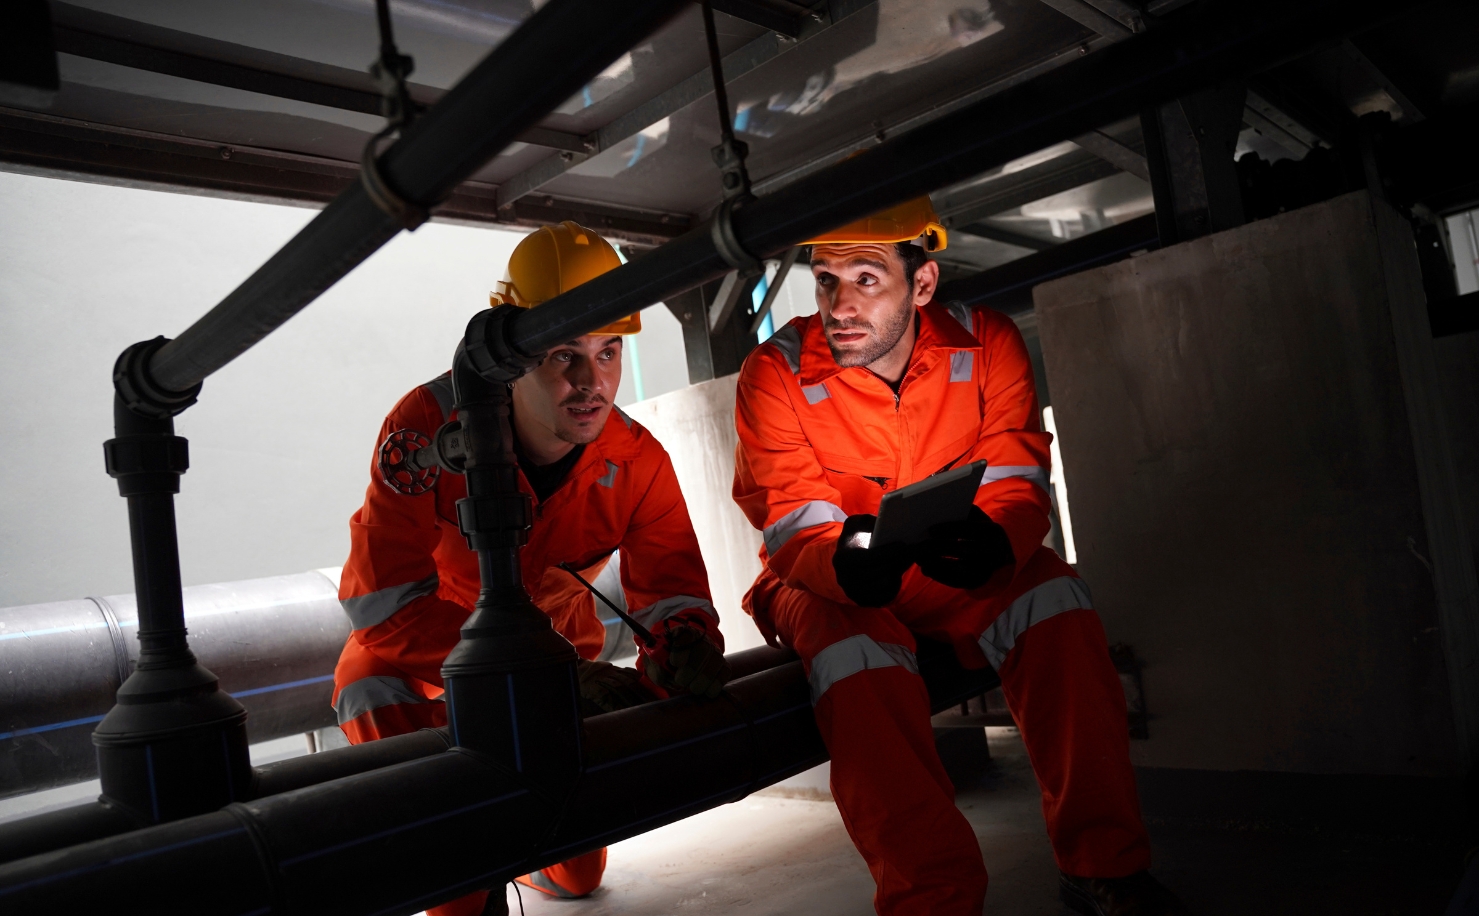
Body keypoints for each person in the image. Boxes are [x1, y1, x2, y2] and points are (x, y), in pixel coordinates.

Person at [732, 198, 1184, 916]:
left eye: (865, 278)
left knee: (1053, 598)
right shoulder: (774, 371)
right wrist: (839, 564)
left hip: (950, 578)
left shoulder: (987, 342)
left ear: (921, 284)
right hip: (821, 583)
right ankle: (931, 902)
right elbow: (790, 513)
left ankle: (1104, 868)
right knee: (856, 656)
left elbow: (1014, 475)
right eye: (824, 281)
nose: (838, 306)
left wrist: (998, 543)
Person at [333, 221, 729, 916]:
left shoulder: (636, 462)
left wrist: (686, 642)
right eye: (562, 354)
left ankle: (523, 856)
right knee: (371, 689)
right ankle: (456, 883)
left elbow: (671, 594)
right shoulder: (425, 429)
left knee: (577, 873)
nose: (590, 383)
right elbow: (381, 604)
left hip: (558, 671)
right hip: (425, 664)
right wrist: (544, 677)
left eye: (609, 352)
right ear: (512, 354)